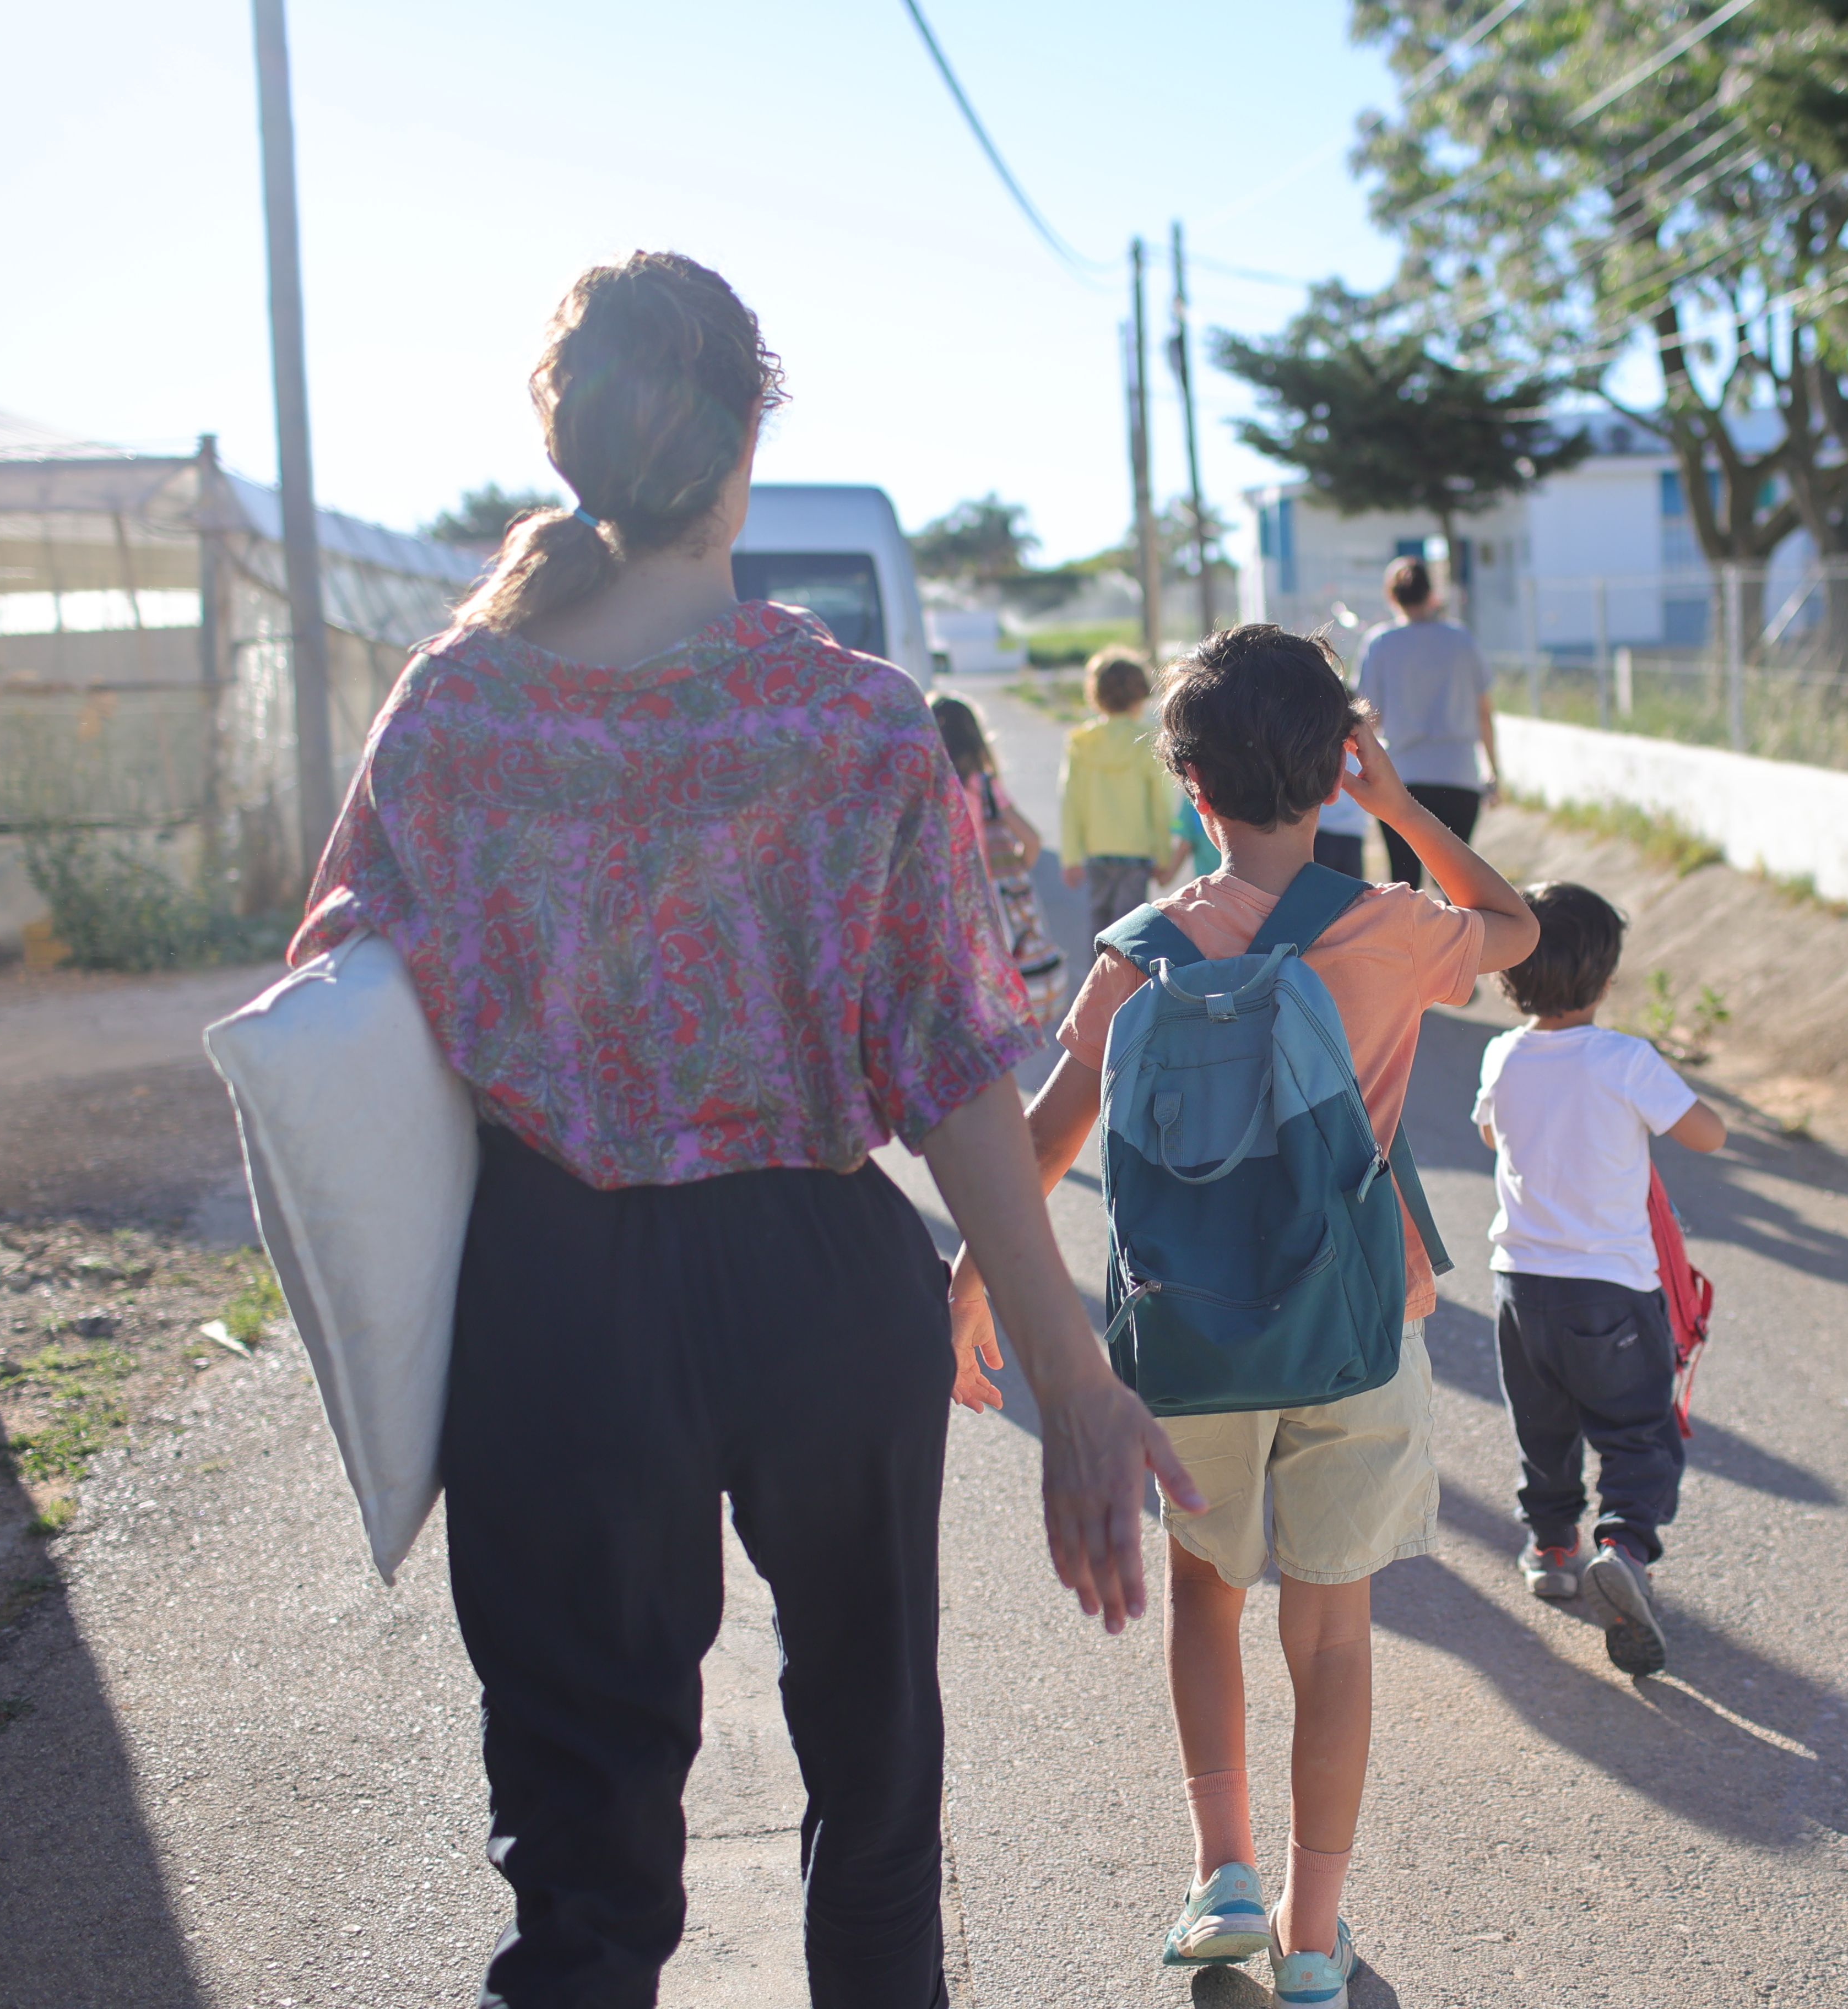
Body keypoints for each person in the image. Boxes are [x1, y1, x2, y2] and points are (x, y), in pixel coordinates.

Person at [293, 251, 1193, 2008]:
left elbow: (338, 1009)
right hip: (816, 1285)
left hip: (552, 1297)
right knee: (876, 1779)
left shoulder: (453, 712)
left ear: (566, 450)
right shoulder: (851, 719)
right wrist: (1074, 1379)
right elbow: (954, 1069)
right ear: (744, 448)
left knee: (579, 1861)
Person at [945, 625, 1536, 2006]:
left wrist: (974, 1273)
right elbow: (1515, 930)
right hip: (1354, 1330)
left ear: (1190, 785)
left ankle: (1221, 1872)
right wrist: (1401, 808)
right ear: (1334, 770)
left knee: (1205, 1600)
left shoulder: (1137, 953)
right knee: (1330, 1636)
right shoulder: (1391, 929)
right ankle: (1312, 1939)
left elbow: (1045, 1139)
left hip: (1191, 1339)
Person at [1473, 881, 1726, 1677]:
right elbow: (1708, 1136)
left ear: (1510, 973)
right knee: (1635, 1429)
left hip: (1520, 1287)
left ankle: (1553, 1548)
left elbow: (1490, 1133)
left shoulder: (1502, 1054)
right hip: (1612, 1290)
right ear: (1607, 978)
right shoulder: (1625, 1060)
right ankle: (1624, 1548)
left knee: (1543, 1427)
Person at [1354, 557, 1499, 889]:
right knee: (1456, 886)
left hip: (1401, 778)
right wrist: (1493, 770)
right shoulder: (1461, 639)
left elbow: (1368, 718)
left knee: (1403, 883)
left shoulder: (1380, 643)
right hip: (1459, 775)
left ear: (1391, 596)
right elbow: (1484, 712)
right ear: (1431, 593)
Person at [931, 692, 1065, 1031]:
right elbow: (1031, 840)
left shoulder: (928, 789)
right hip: (993, 903)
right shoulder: (986, 787)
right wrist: (1015, 869)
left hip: (948, 903)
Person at [1059, 645, 1177, 933]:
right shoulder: (1146, 741)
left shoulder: (1081, 743)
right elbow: (1160, 803)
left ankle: (1097, 966)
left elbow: (1070, 801)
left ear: (1095, 694)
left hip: (1097, 850)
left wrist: (1071, 856)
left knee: (1100, 930)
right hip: (1137, 852)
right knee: (1130, 933)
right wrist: (1164, 855)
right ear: (1140, 694)